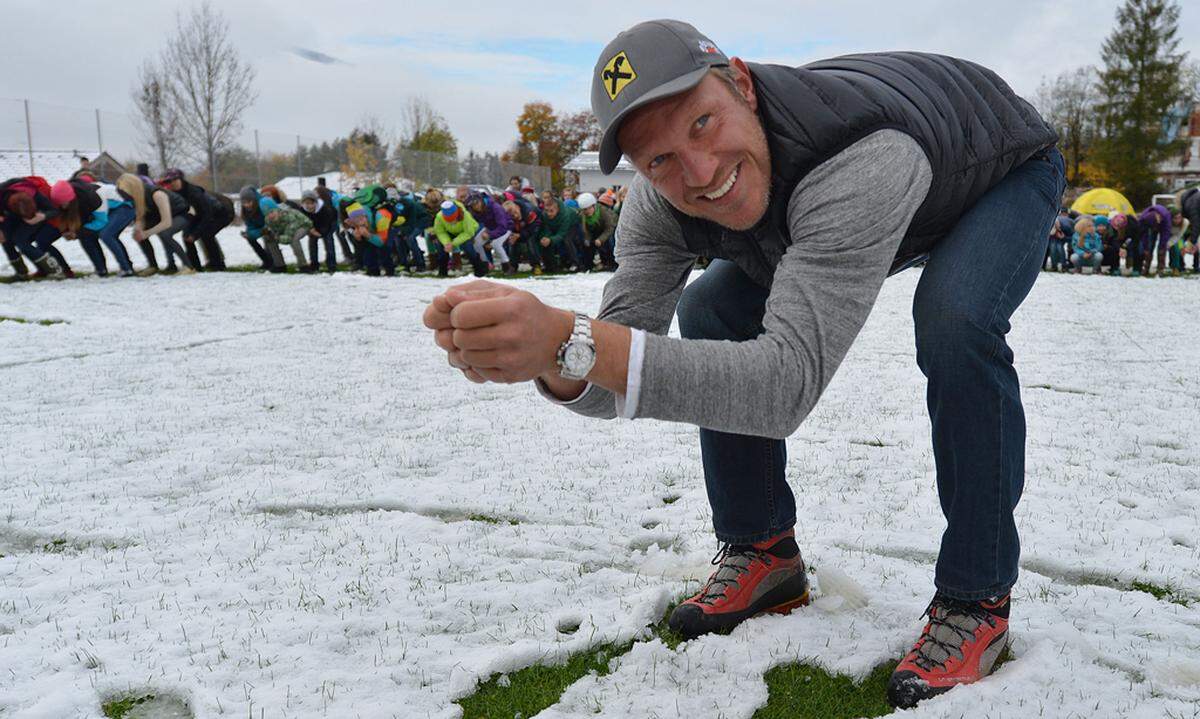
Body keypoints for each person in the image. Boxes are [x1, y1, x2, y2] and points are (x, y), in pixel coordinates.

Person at [424, 20, 1064, 709]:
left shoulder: (860, 154)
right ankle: (764, 553)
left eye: (702, 122)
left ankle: (978, 594)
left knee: (956, 320)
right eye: (658, 160)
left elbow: (785, 386)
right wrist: (555, 354)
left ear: (744, 85)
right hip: (847, 189)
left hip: (994, 167)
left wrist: (575, 339)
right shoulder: (658, 205)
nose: (697, 173)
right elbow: (612, 363)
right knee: (712, 310)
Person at [116, 173, 196, 275]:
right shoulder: (138, 197)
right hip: (161, 216)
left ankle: (188, 266)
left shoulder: (157, 194)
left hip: (183, 213)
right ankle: (153, 266)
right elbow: (141, 217)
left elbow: (166, 222)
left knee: (165, 233)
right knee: (139, 234)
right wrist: (139, 230)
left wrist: (146, 233)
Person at [158, 169, 231, 271]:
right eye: (167, 182)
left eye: (172, 181)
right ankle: (195, 266)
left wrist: (195, 234)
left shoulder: (194, 192)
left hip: (220, 213)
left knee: (206, 235)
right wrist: (190, 233)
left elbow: (207, 214)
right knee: (187, 237)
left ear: (180, 180)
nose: (170, 184)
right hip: (199, 216)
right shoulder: (174, 193)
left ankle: (218, 265)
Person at [432, 199, 487, 277]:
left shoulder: (465, 215)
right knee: (441, 248)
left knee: (468, 249)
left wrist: (453, 243)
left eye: (453, 219)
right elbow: (440, 232)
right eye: (448, 220)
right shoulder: (439, 216)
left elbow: (468, 233)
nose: (451, 222)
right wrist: (446, 243)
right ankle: (442, 272)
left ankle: (479, 271)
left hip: (466, 232)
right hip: (450, 232)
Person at [466, 191, 516, 274]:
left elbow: (502, 227)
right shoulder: (476, 211)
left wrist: (490, 235)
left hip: (506, 228)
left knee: (496, 244)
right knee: (476, 243)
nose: (476, 206)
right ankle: (485, 265)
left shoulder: (495, 207)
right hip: (490, 228)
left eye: (477, 203)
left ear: (481, 200)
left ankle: (507, 266)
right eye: (473, 205)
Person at [260, 195, 312, 273]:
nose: (270, 216)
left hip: (303, 225)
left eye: (272, 212)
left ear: (277, 209)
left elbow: (288, 238)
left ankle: (303, 266)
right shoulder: (268, 220)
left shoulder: (289, 216)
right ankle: (280, 265)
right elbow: (271, 231)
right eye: (267, 214)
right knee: (268, 238)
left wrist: (276, 237)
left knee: (294, 240)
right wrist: (267, 233)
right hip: (284, 229)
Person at [537, 197, 581, 273]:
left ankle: (575, 263)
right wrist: (546, 237)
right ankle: (550, 265)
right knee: (544, 241)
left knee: (567, 240)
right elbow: (546, 228)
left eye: (551, 211)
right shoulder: (544, 215)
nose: (548, 214)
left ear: (557, 209)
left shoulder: (565, 215)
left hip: (572, 225)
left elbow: (562, 233)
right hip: (556, 226)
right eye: (547, 210)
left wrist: (551, 240)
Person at [576, 192, 618, 271]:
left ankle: (613, 264)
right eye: (584, 210)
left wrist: (600, 239)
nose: (586, 212)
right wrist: (587, 239)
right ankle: (587, 265)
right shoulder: (582, 215)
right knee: (586, 244)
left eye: (587, 209)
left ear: (593, 206)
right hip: (597, 231)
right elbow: (585, 230)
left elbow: (609, 228)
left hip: (612, 230)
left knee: (610, 242)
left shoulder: (604, 212)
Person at [238, 186, 276, 271]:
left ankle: (274, 262)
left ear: (254, 200)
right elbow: (250, 226)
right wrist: (249, 234)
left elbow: (271, 221)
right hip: (261, 228)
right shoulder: (245, 211)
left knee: (267, 235)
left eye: (249, 202)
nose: (247, 205)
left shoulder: (263, 204)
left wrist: (260, 231)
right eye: (244, 203)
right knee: (250, 238)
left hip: (271, 226)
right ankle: (266, 261)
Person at [300, 189, 338, 273]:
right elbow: (303, 222)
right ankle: (314, 265)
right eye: (307, 203)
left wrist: (320, 233)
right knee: (312, 242)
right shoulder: (302, 210)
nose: (309, 206)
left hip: (329, 224)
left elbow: (327, 223)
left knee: (329, 241)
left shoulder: (325, 209)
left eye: (311, 203)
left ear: (316, 202)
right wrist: (311, 230)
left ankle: (331, 265)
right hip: (314, 227)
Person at [1137, 203, 1172, 277]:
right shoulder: (1143, 218)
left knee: (1162, 248)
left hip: (1163, 225)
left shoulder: (1166, 216)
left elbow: (1166, 232)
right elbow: (1143, 233)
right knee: (1149, 246)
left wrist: (1162, 245)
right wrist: (1146, 247)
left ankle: (1160, 269)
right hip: (1149, 227)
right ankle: (1146, 268)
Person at [1176, 187, 1199, 273]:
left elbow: (1196, 225)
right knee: (1180, 247)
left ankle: (1196, 266)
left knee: (1196, 247)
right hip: (1183, 232)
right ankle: (1180, 266)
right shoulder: (1192, 203)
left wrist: (1192, 242)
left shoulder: (1192, 202)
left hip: (1192, 231)